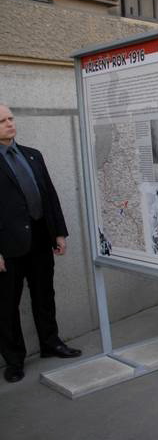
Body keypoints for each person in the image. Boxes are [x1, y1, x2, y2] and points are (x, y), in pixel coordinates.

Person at [0, 103, 81, 383]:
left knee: (44, 295)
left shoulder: (32, 155)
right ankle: (14, 360)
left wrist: (58, 233)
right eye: (3, 121)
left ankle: (50, 343)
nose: (10, 123)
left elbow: (49, 196)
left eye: (11, 118)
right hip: (7, 247)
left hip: (39, 238)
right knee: (7, 305)